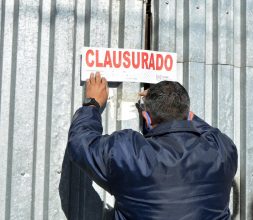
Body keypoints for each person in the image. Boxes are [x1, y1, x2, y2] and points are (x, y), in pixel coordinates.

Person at [66, 72, 238, 220]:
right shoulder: (223, 150)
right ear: (188, 114)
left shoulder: (128, 153)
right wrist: (174, 105)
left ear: (146, 119)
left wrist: (92, 103)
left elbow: (81, 142)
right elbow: (204, 128)